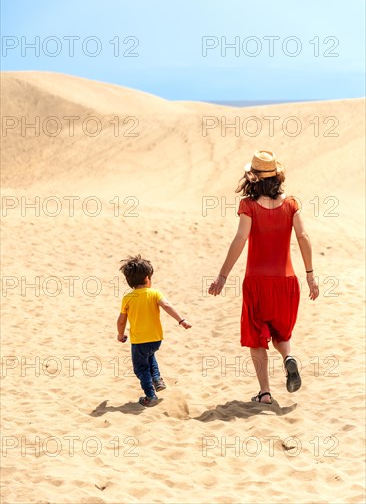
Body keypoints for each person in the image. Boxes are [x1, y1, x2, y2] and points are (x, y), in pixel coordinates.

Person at [209, 150, 319, 404]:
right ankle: (288, 358)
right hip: (287, 281)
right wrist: (310, 276)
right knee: (282, 333)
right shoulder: (292, 204)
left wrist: (222, 276)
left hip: (257, 282)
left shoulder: (248, 205)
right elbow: (304, 237)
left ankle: (265, 393)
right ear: (277, 177)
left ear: (253, 179)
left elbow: (240, 239)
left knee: (257, 336)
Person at [116, 255, 191, 407]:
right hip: (156, 339)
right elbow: (167, 306)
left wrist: (120, 334)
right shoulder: (155, 293)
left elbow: (121, 320)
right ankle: (157, 379)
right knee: (150, 356)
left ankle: (150, 395)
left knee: (141, 368)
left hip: (139, 341)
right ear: (147, 278)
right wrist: (181, 320)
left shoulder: (128, 298)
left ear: (129, 282)